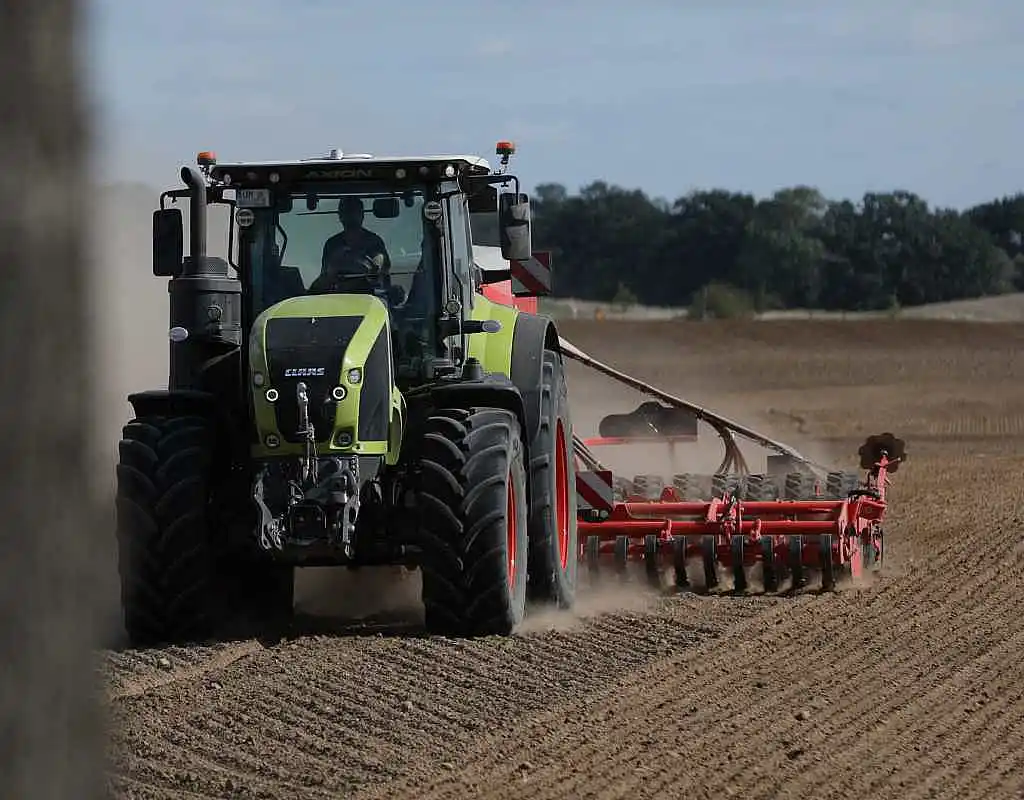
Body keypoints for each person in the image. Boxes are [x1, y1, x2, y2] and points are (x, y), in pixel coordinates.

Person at [320, 196, 391, 277]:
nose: (351, 215)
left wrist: (376, 266)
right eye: (347, 211)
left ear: (362, 214)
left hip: (368, 288)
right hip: (339, 289)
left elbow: (381, 262)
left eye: (354, 211)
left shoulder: (374, 241)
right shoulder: (332, 244)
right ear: (340, 216)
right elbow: (324, 276)